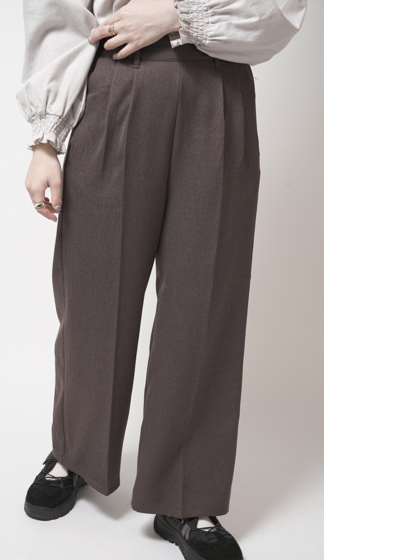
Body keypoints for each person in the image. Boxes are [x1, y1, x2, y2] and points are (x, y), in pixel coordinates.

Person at [16, 1, 307, 558]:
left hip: (216, 85)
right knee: (92, 289)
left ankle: (187, 492)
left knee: (204, 297)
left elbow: (279, 8)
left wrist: (178, 15)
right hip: (113, 82)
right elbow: (59, 10)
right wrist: (46, 140)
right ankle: (76, 452)